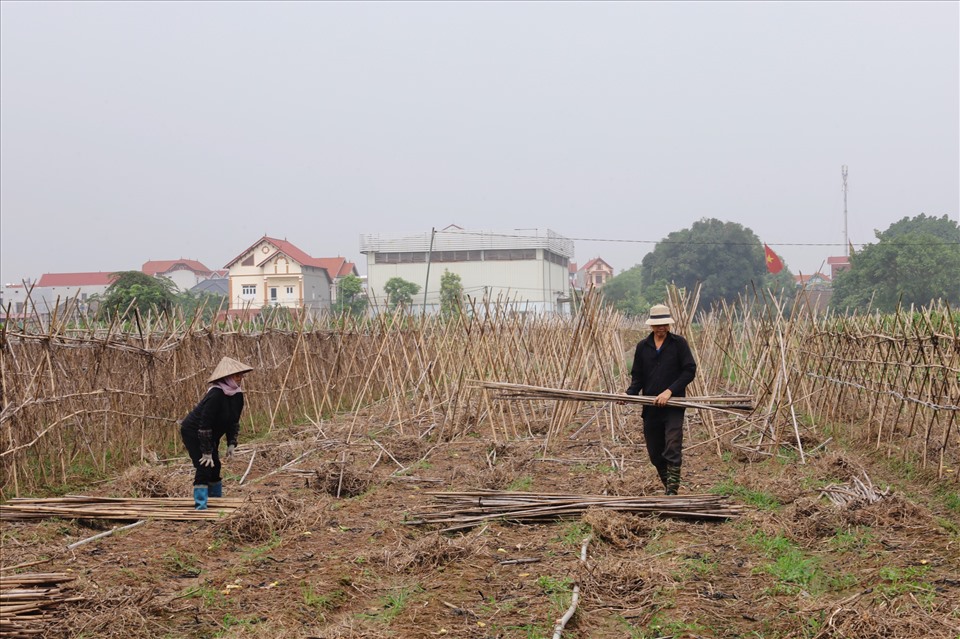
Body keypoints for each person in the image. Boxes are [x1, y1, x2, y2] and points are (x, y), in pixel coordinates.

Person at [625, 304, 697, 495]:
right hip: (650, 407)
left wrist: (669, 391)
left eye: (664, 324)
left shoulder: (679, 343)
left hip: (673, 405)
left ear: (668, 324)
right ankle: (668, 486)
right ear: (651, 325)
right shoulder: (643, 346)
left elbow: (689, 370)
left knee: (672, 447)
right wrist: (629, 394)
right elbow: (637, 376)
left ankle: (672, 492)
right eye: (657, 325)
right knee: (656, 454)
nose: (661, 328)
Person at [180, 356, 254, 510]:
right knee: (204, 465)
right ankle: (201, 505)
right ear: (226, 377)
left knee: (216, 466)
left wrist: (231, 443)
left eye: (241, 375)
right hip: (194, 432)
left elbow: (233, 421)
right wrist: (207, 452)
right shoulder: (215, 395)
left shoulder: (238, 395)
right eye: (236, 375)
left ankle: (216, 502)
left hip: (211, 434)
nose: (240, 378)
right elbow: (204, 424)